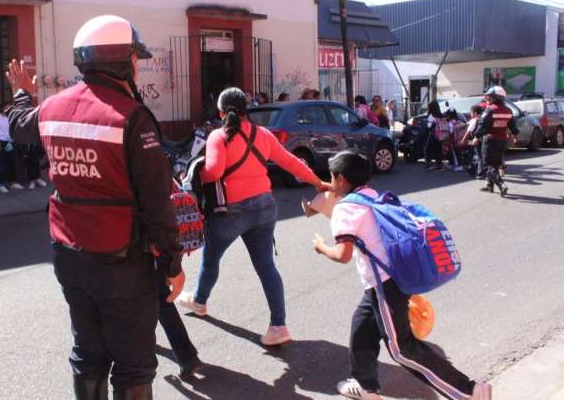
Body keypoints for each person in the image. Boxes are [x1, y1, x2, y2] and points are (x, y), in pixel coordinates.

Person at [6, 15, 186, 400]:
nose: (138, 65)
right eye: (135, 58)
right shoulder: (132, 118)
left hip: (69, 255)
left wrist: (23, 93)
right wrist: (172, 262)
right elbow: (157, 203)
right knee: (134, 363)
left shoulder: (52, 109)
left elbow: (20, 125)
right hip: (122, 260)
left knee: (87, 354)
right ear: (123, 62)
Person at [312, 151, 492, 400]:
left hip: (385, 286)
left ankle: (469, 391)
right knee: (362, 328)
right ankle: (366, 387)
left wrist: (321, 247)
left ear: (340, 179)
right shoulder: (371, 196)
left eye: (331, 178)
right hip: (392, 279)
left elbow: (342, 254)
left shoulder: (345, 208)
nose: (329, 182)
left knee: (402, 350)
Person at [177, 87, 330, 345]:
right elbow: (290, 161)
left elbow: (213, 173)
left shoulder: (219, 136)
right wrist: (317, 181)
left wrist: (191, 176)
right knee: (267, 267)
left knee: (211, 259)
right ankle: (279, 327)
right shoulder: (263, 134)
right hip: (264, 208)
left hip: (229, 212)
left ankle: (200, 301)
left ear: (220, 112)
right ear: (247, 109)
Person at [475, 86, 518, 197]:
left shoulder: (490, 109)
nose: (487, 97)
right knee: (494, 165)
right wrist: (514, 135)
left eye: (489, 96)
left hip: (490, 140)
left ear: (495, 97)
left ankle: (501, 185)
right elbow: (513, 126)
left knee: (487, 166)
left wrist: (476, 136)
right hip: (502, 140)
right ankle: (489, 186)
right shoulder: (508, 110)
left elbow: (482, 124)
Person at [0, 101, 24, 193]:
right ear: (2, 108)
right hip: (1, 142)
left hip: (11, 142)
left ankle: (12, 182)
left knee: (12, 163)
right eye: (7, 108)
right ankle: (1, 184)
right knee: (1, 164)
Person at [424, 101, 446, 171]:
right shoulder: (441, 115)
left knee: (427, 148)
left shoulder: (431, 116)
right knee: (438, 149)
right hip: (440, 135)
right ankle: (439, 165)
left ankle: (429, 164)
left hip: (433, 134)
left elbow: (429, 126)